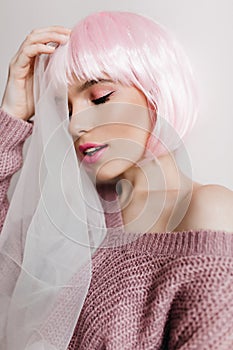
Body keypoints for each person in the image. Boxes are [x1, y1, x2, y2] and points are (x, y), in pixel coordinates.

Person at [0, 11, 233, 350]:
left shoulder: (208, 211)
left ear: (155, 94)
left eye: (100, 98)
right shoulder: (73, 220)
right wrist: (10, 117)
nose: (74, 125)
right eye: (65, 110)